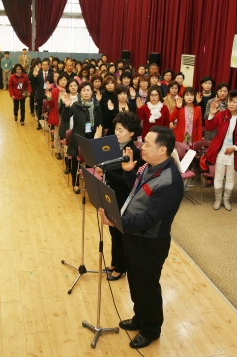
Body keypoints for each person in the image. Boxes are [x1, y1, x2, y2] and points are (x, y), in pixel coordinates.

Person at [99, 126, 183, 349]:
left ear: (163, 150)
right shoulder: (150, 166)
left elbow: (149, 219)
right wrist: (128, 172)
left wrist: (117, 222)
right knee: (136, 283)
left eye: (147, 144)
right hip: (134, 237)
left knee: (147, 287)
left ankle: (151, 329)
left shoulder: (169, 182)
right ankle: (140, 318)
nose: (141, 147)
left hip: (150, 242)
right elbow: (136, 193)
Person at [95, 111, 141, 281]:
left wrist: (104, 172)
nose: (117, 133)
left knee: (120, 233)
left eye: (121, 130)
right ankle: (115, 262)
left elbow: (126, 180)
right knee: (113, 231)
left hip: (123, 196)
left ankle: (121, 267)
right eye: (116, 129)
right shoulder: (116, 148)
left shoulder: (133, 151)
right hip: (111, 193)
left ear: (131, 132)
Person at [206, 90, 237, 211]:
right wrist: (211, 114)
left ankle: (226, 200)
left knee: (231, 177)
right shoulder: (221, 115)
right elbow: (210, 127)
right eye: (229, 101)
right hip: (221, 151)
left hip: (235, 151)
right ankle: (218, 200)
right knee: (218, 176)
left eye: (234, 102)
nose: (231, 104)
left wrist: (235, 147)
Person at [60, 81, 102, 193]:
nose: (86, 93)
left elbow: (100, 122)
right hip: (77, 138)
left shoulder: (97, 105)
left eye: (88, 90)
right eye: (84, 90)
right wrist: (66, 106)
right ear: (80, 92)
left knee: (90, 163)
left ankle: (89, 183)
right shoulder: (76, 105)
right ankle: (76, 183)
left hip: (91, 138)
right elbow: (65, 118)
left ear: (92, 92)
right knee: (75, 163)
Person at [45, 73, 69, 159]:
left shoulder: (69, 90)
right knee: (57, 134)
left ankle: (66, 153)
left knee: (67, 135)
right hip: (57, 115)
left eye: (65, 80)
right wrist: (49, 98)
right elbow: (51, 104)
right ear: (58, 81)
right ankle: (57, 151)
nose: (63, 82)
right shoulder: (55, 91)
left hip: (67, 116)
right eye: (61, 80)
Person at [31, 59, 52, 130]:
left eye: (46, 65)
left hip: (48, 93)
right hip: (40, 93)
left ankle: (48, 124)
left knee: (49, 109)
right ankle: (39, 124)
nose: (45, 66)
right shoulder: (38, 73)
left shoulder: (51, 74)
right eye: (44, 65)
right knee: (40, 109)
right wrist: (34, 76)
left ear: (48, 66)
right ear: (41, 66)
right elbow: (33, 83)